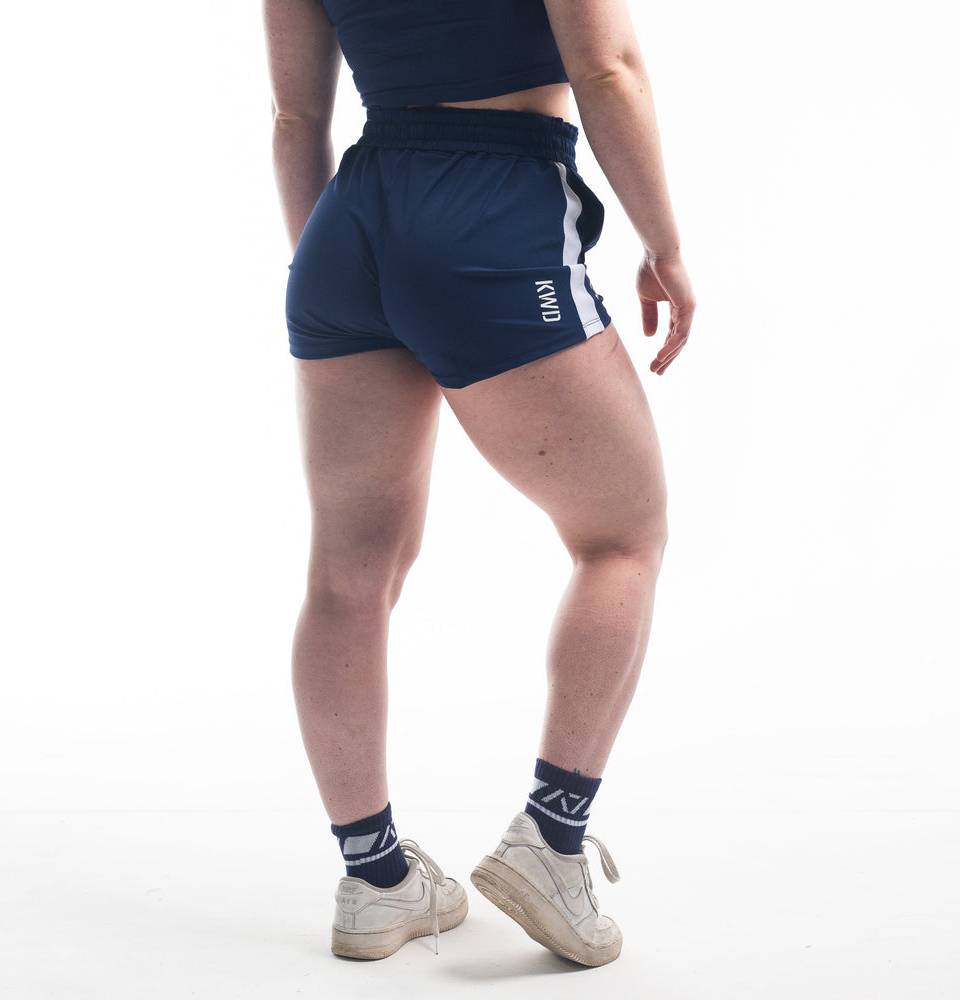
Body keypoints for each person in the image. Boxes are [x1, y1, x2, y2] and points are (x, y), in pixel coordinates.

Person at [263, 0, 695, 967]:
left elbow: (296, 119)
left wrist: (348, 274)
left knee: (348, 572)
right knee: (622, 536)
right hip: (490, 209)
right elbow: (607, 68)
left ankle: (375, 881)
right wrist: (663, 245)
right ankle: (552, 841)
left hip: (347, 227)